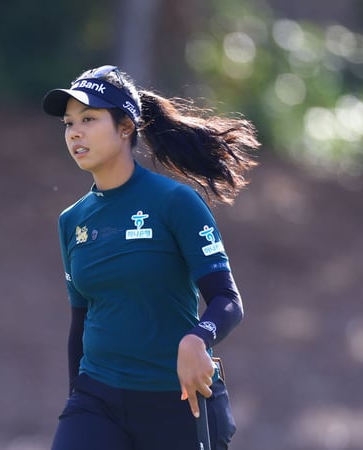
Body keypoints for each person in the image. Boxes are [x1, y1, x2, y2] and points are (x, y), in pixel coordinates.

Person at [41, 65, 260, 450]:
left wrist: (198, 338)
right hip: (97, 400)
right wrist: (76, 401)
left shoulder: (174, 202)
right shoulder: (72, 221)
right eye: (68, 123)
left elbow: (228, 300)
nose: (75, 132)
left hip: (176, 401)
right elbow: (81, 322)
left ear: (126, 127)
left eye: (89, 119)